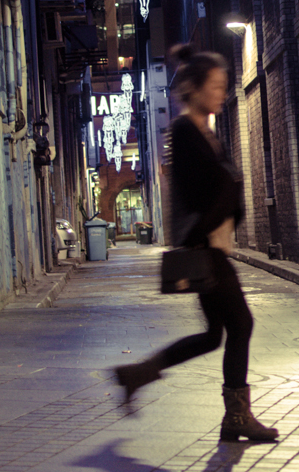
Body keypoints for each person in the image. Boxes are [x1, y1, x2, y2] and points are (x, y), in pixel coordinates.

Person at [114, 44, 278, 443]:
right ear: (197, 88)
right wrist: (225, 192)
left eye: (224, 85)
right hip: (206, 247)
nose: (222, 92)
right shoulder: (186, 131)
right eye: (217, 85)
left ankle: (137, 374)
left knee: (215, 334)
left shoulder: (203, 129)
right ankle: (236, 418)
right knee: (241, 324)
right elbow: (200, 187)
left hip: (213, 243)